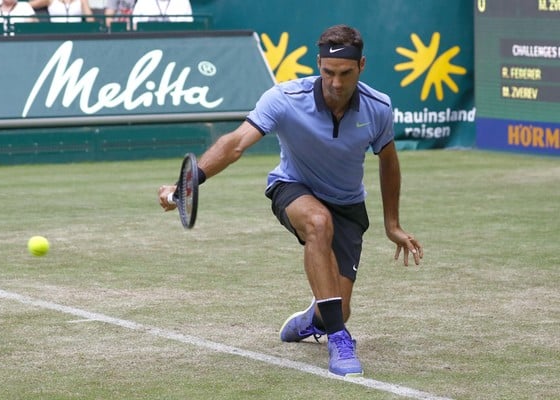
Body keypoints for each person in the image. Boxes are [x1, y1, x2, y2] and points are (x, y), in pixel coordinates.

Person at [157, 24, 423, 377]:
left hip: (347, 204)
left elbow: (388, 160)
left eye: (346, 73)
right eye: (328, 73)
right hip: (293, 187)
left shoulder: (378, 108)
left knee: (337, 309)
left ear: (362, 65)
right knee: (317, 223)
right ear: (318, 65)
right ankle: (339, 341)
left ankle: (310, 322)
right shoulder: (284, 98)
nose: (337, 83)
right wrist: (185, 186)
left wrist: (393, 225)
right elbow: (235, 144)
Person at [29, 0, 94, 22]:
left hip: (77, 34)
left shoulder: (82, 0)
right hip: (55, 34)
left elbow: (91, 21)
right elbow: (28, 5)